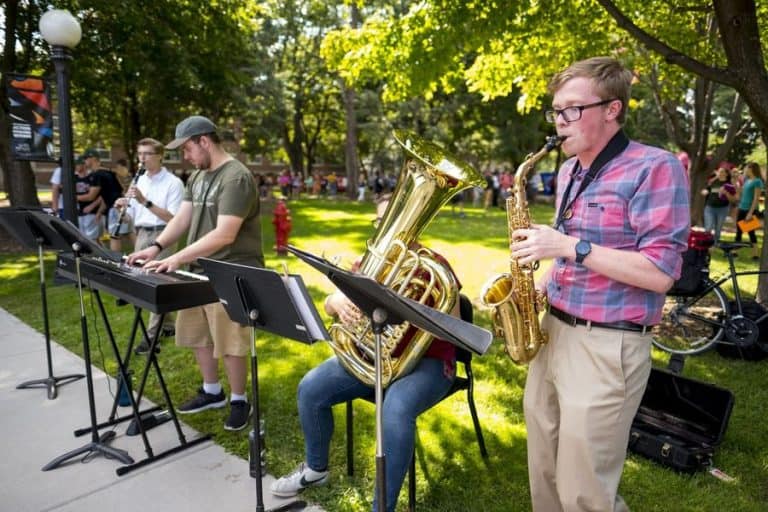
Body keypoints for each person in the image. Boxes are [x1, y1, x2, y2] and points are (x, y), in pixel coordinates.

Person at [511, 57, 689, 511]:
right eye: (556, 111)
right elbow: (564, 251)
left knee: (585, 487)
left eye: (572, 109)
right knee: (545, 471)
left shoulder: (656, 167)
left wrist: (572, 248)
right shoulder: (570, 171)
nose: (560, 121)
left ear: (612, 109)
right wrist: (539, 281)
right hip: (553, 332)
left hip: (608, 345)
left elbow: (660, 273)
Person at [270, 199, 460, 512]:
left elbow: (452, 327)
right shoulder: (371, 263)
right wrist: (335, 301)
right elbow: (335, 302)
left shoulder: (435, 265)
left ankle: (380, 508)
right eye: (382, 222)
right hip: (373, 357)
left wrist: (403, 306)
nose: (390, 230)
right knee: (311, 388)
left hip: (428, 363)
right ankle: (315, 469)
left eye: (397, 220)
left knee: (395, 409)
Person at [127, 115, 264, 431]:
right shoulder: (198, 178)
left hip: (231, 271)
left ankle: (240, 399)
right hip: (198, 270)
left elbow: (225, 234)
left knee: (229, 342)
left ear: (205, 141)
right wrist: (157, 247)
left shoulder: (236, 178)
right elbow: (182, 219)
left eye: (187, 149)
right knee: (199, 337)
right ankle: (212, 391)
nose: (185, 157)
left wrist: (177, 259)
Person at [115, 137, 185, 352]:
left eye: (147, 154)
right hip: (142, 233)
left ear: (160, 156)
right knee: (147, 280)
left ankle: (151, 337)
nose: (142, 158)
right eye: (140, 154)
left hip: (164, 235)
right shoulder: (140, 181)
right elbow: (133, 217)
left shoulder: (173, 183)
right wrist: (122, 211)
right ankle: (170, 325)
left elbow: (174, 219)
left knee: (155, 284)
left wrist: (145, 201)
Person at [734, 162, 764, 260]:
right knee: (739, 231)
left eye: (747, 168)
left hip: (750, 210)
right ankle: (735, 252)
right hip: (742, 208)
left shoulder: (757, 181)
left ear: (751, 169)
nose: (745, 170)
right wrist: (736, 184)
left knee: (751, 232)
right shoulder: (747, 181)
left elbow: (756, 198)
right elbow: (741, 193)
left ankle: (755, 254)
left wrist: (750, 213)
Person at [701, 166, 737, 243]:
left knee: (718, 229)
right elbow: (707, 190)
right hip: (709, 208)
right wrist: (705, 191)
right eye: (719, 171)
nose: (720, 173)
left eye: (722, 172)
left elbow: (733, 199)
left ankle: (715, 244)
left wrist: (726, 193)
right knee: (708, 227)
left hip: (722, 209)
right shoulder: (713, 182)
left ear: (726, 174)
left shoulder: (729, 185)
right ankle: (706, 245)